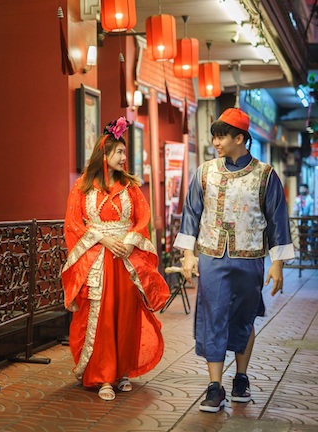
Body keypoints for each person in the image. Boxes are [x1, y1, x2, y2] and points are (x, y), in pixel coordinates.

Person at [173, 108, 295, 413]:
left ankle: (241, 377)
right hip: (212, 256)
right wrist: (188, 254)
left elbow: (277, 219)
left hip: (249, 257)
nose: (215, 142)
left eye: (221, 137)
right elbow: (191, 213)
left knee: (244, 317)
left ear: (240, 138)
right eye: (214, 136)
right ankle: (215, 386)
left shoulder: (265, 175)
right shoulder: (205, 172)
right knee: (212, 315)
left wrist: (278, 263)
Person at [61, 117, 170, 401]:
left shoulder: (130, 186)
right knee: (102, 317)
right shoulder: (82, 187)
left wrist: (129, 240)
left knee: (125, 316)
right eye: (119, 152)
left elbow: (142, 219)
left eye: (124, 152)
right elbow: (73, 224)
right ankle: (103, 376)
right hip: (98, 261)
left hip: (125, 259)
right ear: (104, 154)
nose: (124, 158)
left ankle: (121, 372)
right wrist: (103, 238)